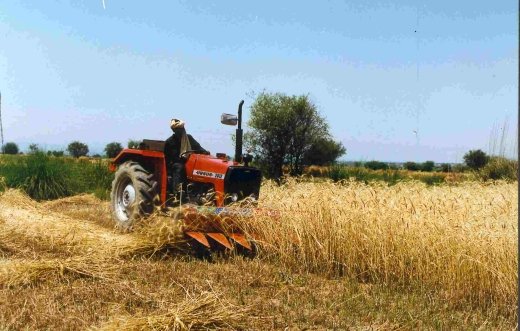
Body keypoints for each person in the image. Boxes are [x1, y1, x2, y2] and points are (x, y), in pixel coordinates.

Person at [164, 118, 207, 201]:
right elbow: (167, 158)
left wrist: (205, 152)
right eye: (178, 129)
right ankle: (178, 194)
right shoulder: (169, 142)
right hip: (175, 164)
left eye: (182, 129)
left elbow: (198, 148)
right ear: (174, 130)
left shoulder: (189, 138)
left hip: (188, 162)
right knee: (179, 167)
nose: (181, 131)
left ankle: (200, 193)